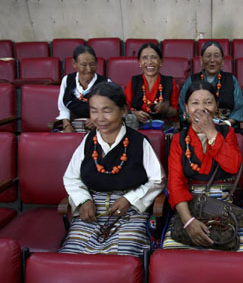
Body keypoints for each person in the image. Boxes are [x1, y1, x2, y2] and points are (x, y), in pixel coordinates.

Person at [60, 82, 166, 256]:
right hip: (93, 206)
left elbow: (158, 179)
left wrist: (129, 199)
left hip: (130, 208)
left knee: (125, 254)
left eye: (107, 110)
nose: (100, 118)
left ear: (123, 110)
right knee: (74, 253)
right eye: (94, 110)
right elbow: (72, 177)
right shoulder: (88, 141)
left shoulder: (139, 142)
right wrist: (84, 200)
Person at [163, 80, 243, 251]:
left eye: (208, 103)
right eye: (195, 103)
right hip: (190, 207)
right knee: (171, 254)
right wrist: (188, 221)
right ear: (186, 108)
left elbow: (233, 166)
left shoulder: (228, 133)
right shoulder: (178, 140)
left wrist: (211, 132)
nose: (201, 108)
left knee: (240, 253)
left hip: (224, 207)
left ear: (216, 106)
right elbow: (176, 185)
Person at [178, 41, 243, 128]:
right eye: (208, 56)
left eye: (216, 56)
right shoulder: (192, 80)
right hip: (196, 127)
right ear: (201, 60)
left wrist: (226, 124)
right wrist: (197, 124)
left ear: (223, 61)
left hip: (226, 127)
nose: (212, 60)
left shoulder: (231, 79)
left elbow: (239, 109)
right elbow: (182, 107)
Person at [124, 43, 180, 131]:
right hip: (137, 129)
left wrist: (168, 110)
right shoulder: (134, 81)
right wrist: (135, 113)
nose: (149, 62)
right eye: (145, 58)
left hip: (163, 130)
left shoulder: (169, 82)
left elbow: (176, 113)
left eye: (154, 57)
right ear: (139, 62)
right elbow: (123, 108)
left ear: (161, 61)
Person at [56, 45, 109, 133]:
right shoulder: (67, 80)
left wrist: (97, 120)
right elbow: (63, 108)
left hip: (98, 129)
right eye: (83, 65)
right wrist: (66, 126)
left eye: (92, 64)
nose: (88, 69)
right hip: (72, 127)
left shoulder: (105, 83)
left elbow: (111, 109)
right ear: (74, 64)